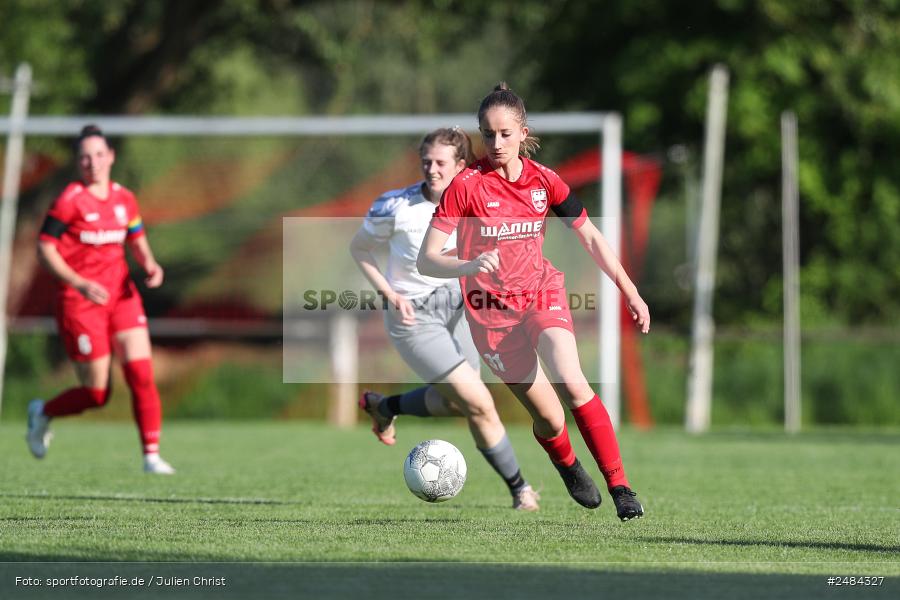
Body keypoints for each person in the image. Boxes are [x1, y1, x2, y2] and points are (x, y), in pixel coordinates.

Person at [417, 84, 650, 521]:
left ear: (524, 132)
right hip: (491, 317)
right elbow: (427, 259)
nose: (497, 143)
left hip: (542, 294)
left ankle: (621, 487)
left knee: (572, 380)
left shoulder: (545, 180)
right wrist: (468, 266)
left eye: (506, 134)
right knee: (550, 419)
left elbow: (590, 236)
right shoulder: (465, 187)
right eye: (488, 135)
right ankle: (566, 463)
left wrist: (630, 290)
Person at [350, 127, 540, 511]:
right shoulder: (395, 206)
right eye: (426, 162)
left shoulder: (479, 198)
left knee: (458, 403)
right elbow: (360, 248)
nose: (431, 169)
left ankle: (385, 407)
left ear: (460, 165)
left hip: (463, 307)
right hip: (413, 316)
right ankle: (521, 490)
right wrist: (390, 294)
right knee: (480, 401)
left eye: (440, 163)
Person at [27, 124, 175, 475]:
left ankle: (151, 455)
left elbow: (136, 237)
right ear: (78, 162)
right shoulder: (69, 200)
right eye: (84, 157)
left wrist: (150, 263)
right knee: (97, 394)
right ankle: (43, 412)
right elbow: (44, 248)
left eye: (98, 154)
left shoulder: (125, 199)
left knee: (141, 372)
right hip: (80, 302)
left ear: (110, 156)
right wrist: (78, 282)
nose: (92, 162)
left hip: (122, 297)